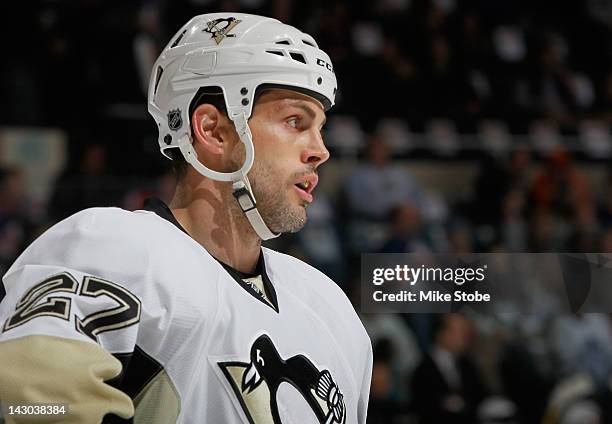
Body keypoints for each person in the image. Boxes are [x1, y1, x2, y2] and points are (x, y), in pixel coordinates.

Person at [0, 13, 372, 424]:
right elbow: (24, 406)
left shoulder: (331, 308)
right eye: (295, 121)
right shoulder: (117, 250)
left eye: (320, 128)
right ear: (212, 131)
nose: (320, 150)